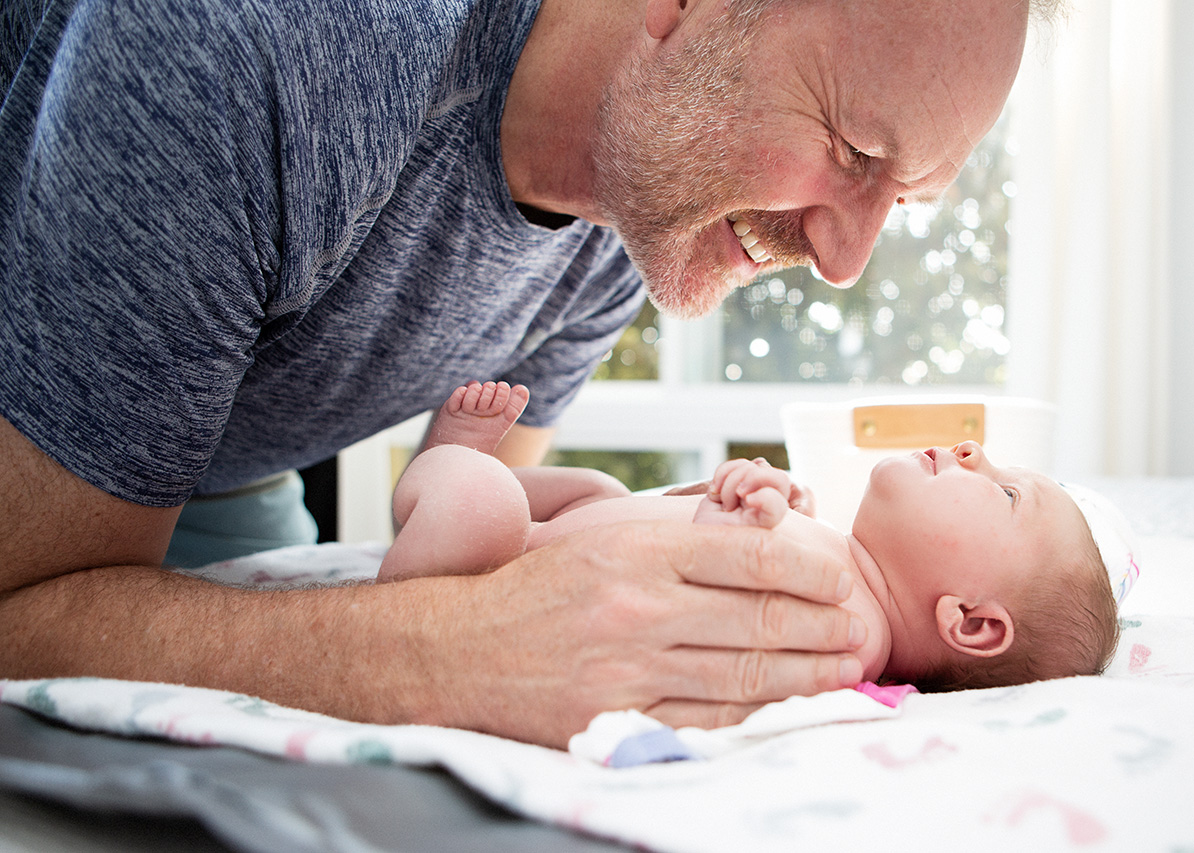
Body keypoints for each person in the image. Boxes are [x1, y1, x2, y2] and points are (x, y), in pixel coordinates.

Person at [0, 0, 1051, 748]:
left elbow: (498, 539)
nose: (843, 262)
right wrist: (442, 651)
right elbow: (21, 610)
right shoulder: (251, 42)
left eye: (900, 200)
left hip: (223, 464)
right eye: (857, 147)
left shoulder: (634, 222)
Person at [385, 381, 1132, 691]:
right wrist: (731, 498)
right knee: (606, 493)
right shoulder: (845, 561)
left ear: (968, 620)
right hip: (550, 540)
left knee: (487, 506)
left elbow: (706, 612)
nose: (975, 451)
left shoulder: (850, 634)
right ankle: (451, 482)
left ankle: (444, 484)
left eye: (1005, 491)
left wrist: (732, 526)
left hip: (482, 582)